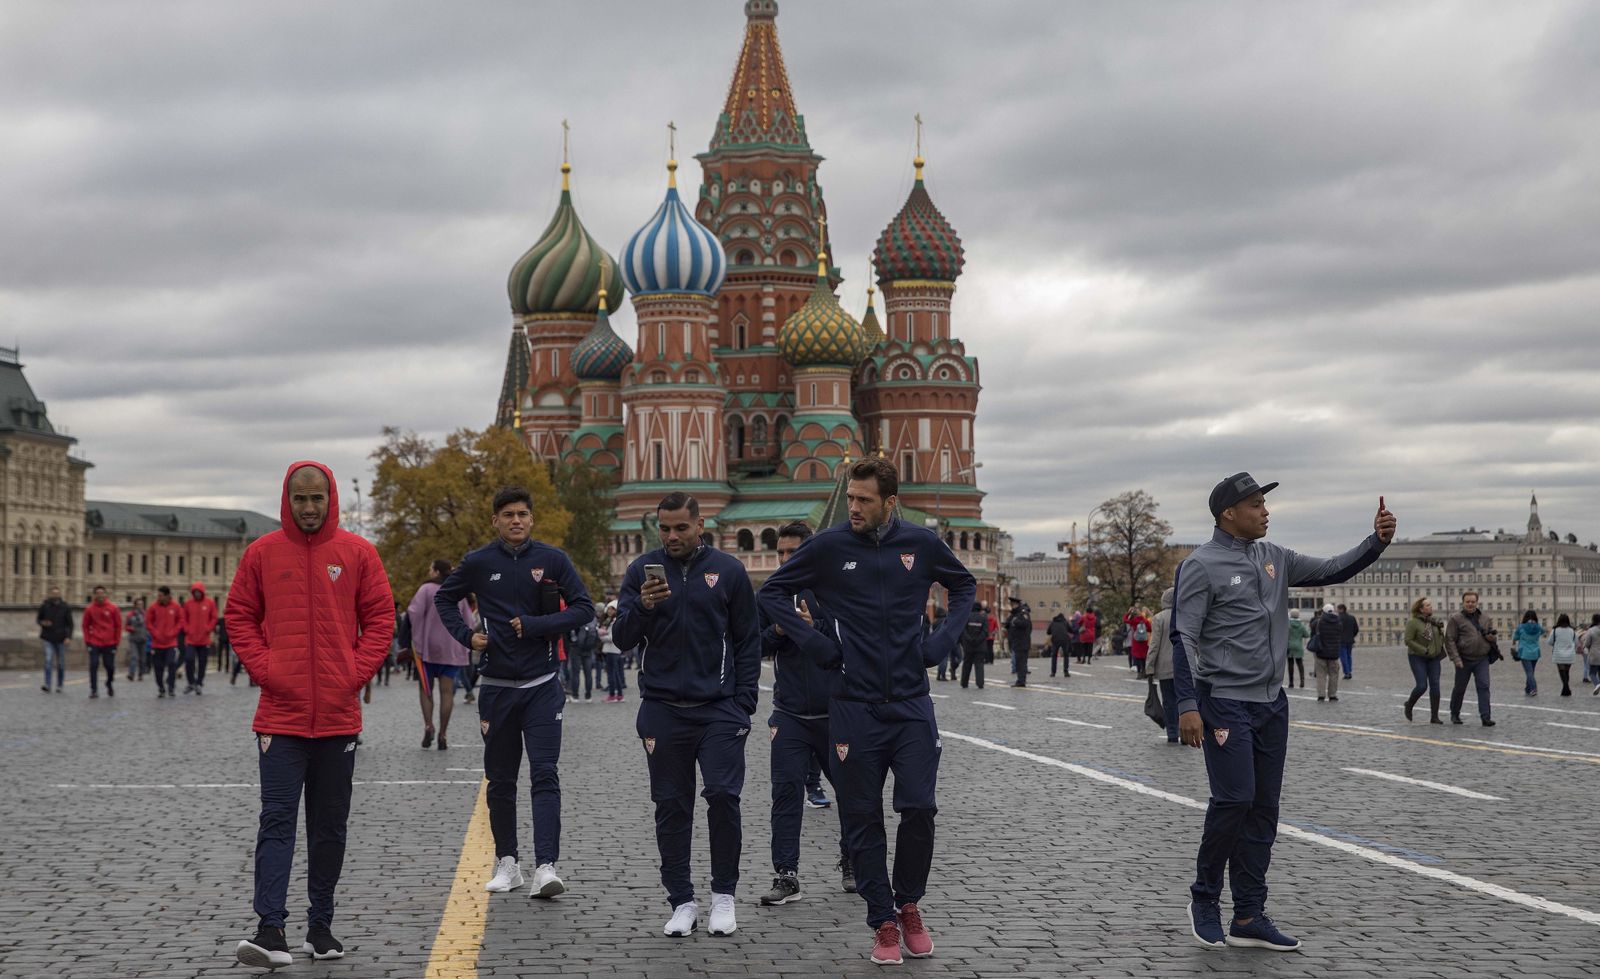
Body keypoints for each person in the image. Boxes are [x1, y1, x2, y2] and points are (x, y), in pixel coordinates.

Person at [758, 458, 976, 965]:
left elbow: (963, 585)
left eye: (864, 500)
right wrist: (818, 646)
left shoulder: (919, 544)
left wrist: (941, 640)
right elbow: (772, 593)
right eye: (850, 498)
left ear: (890, 503)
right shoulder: (830, 546)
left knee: (919, 806)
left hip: (910, 702)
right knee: (862, 816)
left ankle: (910, 904)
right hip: (853, 707)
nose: (853, 507)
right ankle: (882, 920)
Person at [1173, 473, 1394, 953]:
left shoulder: (1276, 558)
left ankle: (1249, 914)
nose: (1265, 511)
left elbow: (1335, 568)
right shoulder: (1200, 565)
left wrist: (1375, 542)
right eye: (1256, 504)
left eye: (1264, 503)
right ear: (1228, 513)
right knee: (1234, 800)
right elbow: (1184, 637)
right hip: (1224, 700)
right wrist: (1187, 705)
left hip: (1272, 703)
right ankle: (1204, 899)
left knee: (1264, 810)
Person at [229, 461, 394, 969]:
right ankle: (269, 928)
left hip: (339, 719)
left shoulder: (358, 552)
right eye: (299, 498)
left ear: (330, 499)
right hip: (280, 716)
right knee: (276, 821)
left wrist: (352, 675)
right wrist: (268, 669)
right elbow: (238, 615)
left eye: (316, 498)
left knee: (330, 827)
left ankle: (319, 926)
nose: (307, 507)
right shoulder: (261, 553)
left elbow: (382, 618)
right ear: (287, 498)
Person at [612, 492, 760, 938]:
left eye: (681, 527)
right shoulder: (641, 572)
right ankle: (681, 901)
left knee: (722, 797)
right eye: (665, 528)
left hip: (718, 710)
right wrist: (643, 606)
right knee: (671, 807)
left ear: (700, 525)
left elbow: (747, 640)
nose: (672, 535)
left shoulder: (728, 571)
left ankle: (723, 897)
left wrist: (743, 702)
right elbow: (620, 638)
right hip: (662, 710)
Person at [435, 486, 594, 899]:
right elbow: (444, 599)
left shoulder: (553, 559)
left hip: (542, 686)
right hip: (497, 688)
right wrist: (467, 638)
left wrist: (538, 625)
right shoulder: (479, 562)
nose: (516, 520)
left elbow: (583, 608)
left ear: (532, 518)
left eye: (523, 513)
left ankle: (546, 866)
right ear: (496, 521)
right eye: (508, 514)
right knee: (501, 780)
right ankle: (508, 863)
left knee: (544, 774)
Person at [757, 520, 852, 907]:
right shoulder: (770, 595)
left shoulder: (835, 593)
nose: (783, 559)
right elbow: (754, 646)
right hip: (790, 713)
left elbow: (849, 647)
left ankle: (853, 861)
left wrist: (817, 630)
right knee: (785, 794)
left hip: (836, 712)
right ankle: (786, 875)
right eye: (780, 552)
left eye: (791, 552)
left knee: (851, 794)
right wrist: (780, 632)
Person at [408, 559, 472, 750]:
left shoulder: (426, 590)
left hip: (427, 648)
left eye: (430, 568)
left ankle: (429, 725)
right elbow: (467, 619)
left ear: (436, 571)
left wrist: (416, 641)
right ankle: (443, 733)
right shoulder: (457, 593)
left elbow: (414, 613)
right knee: (447, 692)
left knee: (425, 690)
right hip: (451, 648)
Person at [1444, 591, 1498, 726]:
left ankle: (1485, 717)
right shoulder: (1455, 619)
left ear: (1477, 602)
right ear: (1463, 603)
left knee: (1484, 686)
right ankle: (1455, 713)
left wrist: (1491, 637)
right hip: (1464, 659)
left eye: (1472, 601)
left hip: (1482, 658)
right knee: (1460, 688)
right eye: (1467, 601)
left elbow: (1491, 636)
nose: (1470, 604)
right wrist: (1456, 659)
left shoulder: (1485, 618)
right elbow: (1449, 639)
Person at [1402, 597, 1447, 723]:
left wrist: (1439, 647)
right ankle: (1409, 705)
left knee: (1435, 686)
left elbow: (1439, 639)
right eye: (1427, 605)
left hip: (1434, 658)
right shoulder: (1413, 623)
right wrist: (1423, 650)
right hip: (1417, 657)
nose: (1431, 607)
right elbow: (1408, 640)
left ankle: (1434, 716)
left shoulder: (1434, 622)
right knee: (1422, 686)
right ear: (1420, 609)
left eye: (1430, 605)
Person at [1147, 587, 1178, 742]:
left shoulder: (1159, 618)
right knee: (1183, 699)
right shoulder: (1183, 616)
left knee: (1168, 701)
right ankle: (1184, 732)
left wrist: (1149, 666)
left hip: (1164, 667)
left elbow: (1154, 645)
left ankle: (1172, 732)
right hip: (1183, 667)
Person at [81, 586, 123, 699]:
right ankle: (94, 690)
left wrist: (117, 641)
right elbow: (85, 625)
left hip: (109, 642)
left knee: (109, 666)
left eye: (102, 593)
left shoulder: (113, 608)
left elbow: (118, 625)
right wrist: (88, 640)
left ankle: (109, 683)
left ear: (105, 594)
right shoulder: (90, 609)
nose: (100, 595)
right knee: (93, 665)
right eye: (98, 593)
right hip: (94, 641)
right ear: (94, 595)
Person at [182, 582, 218, 696]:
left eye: (198, 592)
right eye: (195, 592)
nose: (197, 594)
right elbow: (183, 618)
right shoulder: (188, 604)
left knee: (203, 662)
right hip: (191, 639)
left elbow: (214, 617)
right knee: (189, 659)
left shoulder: (210, 603)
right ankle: (191, 682)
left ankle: (199, 683)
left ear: (202, 592)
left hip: (204, 639)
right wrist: (187, 629)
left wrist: (208, 628)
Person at [147, 586, 183, 698]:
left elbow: (180, 621)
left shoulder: (176, 607)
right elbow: (148, 622)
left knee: (172, 664)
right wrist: (155, 633)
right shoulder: (153, 607)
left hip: (171, 643)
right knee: (158, 667)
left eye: (160, 595)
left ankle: (171, 687)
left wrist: (173, 632)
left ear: (167, 596)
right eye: (158, 595)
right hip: (157, 643)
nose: (159, 597)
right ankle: (161, 687)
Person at [36, 586, 72, 693]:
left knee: (61, 663)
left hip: (61, 638)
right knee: (48, 660)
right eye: (53, 593)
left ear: (60, 595)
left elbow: (70, 624)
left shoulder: (65, 607)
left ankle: (60, 685)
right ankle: (47, 684)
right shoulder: (45, 606)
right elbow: (38, 619)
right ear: (50, 594)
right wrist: (43, 623)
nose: (55, 595)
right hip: (48, 637)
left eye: (57, 593)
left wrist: (68, 637)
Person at [1312, 604, 1343, 702]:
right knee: (1334, 674)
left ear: (1323, 611)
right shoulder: (1338, 622)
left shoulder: (1319, 622)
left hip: (1321, 652)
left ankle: (1321, 694)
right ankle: (1332, 694)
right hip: (1334, 653)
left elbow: (1313, 630)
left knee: (1321, 674)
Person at [566, 614, 600, 702]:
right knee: (588, 673)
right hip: (588, 648)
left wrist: (570, 642)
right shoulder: (592, 617)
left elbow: (570, 633)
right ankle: (588, 696)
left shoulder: (576, 616)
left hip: (576, 648)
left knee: (575, 673)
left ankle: (575, 696)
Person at [599, 602, 626, 702]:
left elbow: (611, 637)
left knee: (611, 673)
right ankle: (619, 694)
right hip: (614, 650)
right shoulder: (611, 621)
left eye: (612, 609)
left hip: (611, 650)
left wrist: (601, 636)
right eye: (609, 609)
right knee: (616, 673)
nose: (610, 611)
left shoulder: (613, 621)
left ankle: (612, 695)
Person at [1513, 610, 1543, 696]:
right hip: (1535, 652)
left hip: (1524, 653)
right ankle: (1527, 688)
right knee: (1531, 671)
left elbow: (1516, 637)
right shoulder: (1538, 627)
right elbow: (1543, 631)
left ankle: (1533, 689)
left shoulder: (1521, 627)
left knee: (1529, 672)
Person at [959, 600, 987, 689]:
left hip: (968, 645)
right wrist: (978, 640)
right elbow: (985, 632)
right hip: (980, 646)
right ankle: (980, 683)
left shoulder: (967, 617)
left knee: (967, 664)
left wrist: (970, 639)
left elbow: (963, 630)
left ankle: (964, 682)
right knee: (979, 665)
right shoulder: (983, 618)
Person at [1004, 597, 1031, 687]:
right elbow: (1007, 623)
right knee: (1018, 662)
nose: (1012, 606)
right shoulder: (1014, 614)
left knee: (1022, 662)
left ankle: (1021, 681)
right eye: (1011, 604)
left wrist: (1016, 622)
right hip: (1015, 641)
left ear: (1017, 604)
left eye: (1013, 604)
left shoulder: (1023, 613)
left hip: (1022, 641)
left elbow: (1026, 624)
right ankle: (1020, 680)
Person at [1549, 613, 1577, 697]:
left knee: (1562, 672)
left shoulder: (1555, 630)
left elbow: (1550, 642)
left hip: (1559, 654)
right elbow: (1576, 641)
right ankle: (1565, 689)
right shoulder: (1572, 630)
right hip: (1570, 654)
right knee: (1567, 672)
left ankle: (1566, 688)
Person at [125, 597, 149, 681]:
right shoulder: (130, 615)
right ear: (135, 605)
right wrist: (131, 628)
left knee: (142, 658)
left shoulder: (145, 614)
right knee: (134, 657)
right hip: (133, 639)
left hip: (143, 638)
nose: (140, 606)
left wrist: (148, 634)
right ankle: (131, 674)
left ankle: (141, 674)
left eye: (142, 604)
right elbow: (126, 626)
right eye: (139, 604)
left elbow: (149, 625)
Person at [1126, 606, 1152, 678]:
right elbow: (1150, 629)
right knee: (1144, 657)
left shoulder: (1134, 621)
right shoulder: (1145, 621)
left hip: (1136, 641)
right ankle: (1144, 671)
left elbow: (1125, 620)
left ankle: (1139, 673)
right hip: (1144, 641)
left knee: (1137, 657)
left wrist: (1128, 613)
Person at [1047, 612, 1075, 678]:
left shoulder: (1053, 622)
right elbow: (1071, 630)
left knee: (1054, 656)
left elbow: (1048, 632)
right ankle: (1066, 672)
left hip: (1055, 640)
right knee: (1066, 655)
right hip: (1064, 640)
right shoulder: (1065, 622)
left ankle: (1053, 672)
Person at [1285, 609, 1308, 688]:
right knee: (1300, 664)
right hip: (1298, 646)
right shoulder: (1301, 625)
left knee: (1290, 665)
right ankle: (1302, 682)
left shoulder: (1288, 624)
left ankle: (1291, 683)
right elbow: (1307, 634)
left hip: (1290, 646)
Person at [1336, 604, 1359, 679]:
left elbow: (1337, 629)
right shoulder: (1352, 618)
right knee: (1349, 656)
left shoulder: (1338, 618)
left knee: (1343, 657)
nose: (1337, 611)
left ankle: (1347, 672)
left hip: (1341, 641)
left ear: (1341, 609)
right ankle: (1349, 671)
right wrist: (1352, 636)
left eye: (1338, 609)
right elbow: (1356, 629)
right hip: (1350, 640)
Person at [1580, 613, 1600, 688]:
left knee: (1592, 673)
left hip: (1594, 654)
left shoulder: (1591, 630)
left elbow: (1587, 643)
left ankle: (1597, 685)